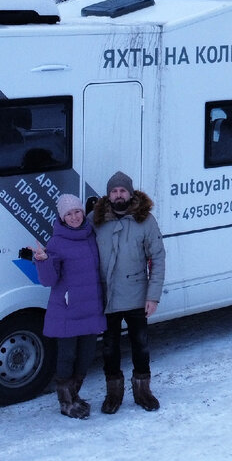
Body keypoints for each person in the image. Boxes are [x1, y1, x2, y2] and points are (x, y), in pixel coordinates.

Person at [89, 171, 166, 413]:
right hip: (107, 296)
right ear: (108, 194)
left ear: (130, 193)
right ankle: (113, 394)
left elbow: (157, 258)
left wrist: (152, 296)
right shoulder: (95, 219)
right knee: (109, 348)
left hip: (137, 295)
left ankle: (143, 391)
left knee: (140, 345)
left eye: (123, 190)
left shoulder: (146, 220)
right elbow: (75, 245)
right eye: (114, 191)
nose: (119, 194)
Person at [31, 194, 105, 418]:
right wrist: (42, 260)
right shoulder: (57, 242)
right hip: (68, 310)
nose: (74, 217)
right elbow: (49, 280)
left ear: (83, 212)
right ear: (61, 218)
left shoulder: (91, 235)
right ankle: (66, 402)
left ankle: (74, 395)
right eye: (68, 214)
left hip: (91, 308)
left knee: (86, 356)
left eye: (77, 212)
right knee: (67, 357)